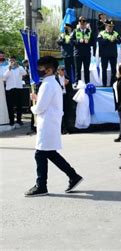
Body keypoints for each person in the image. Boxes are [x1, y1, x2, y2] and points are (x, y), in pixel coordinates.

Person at [25, 56, 83, 197]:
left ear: (49, 69)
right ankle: (73, 176)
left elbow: (41, 108)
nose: (38, 71)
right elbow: (46, 102)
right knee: (49, 153)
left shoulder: (47, 84)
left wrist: (34, 107)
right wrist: (37, 99)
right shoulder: (51, 83)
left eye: (40, 68)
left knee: (41, 154)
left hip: (48, 123)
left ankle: (41, 185)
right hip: (50, 122)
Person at [3, 55, 26, 128]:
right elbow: (4, 77)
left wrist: (18, 66)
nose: (12, 62)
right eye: (10, 60)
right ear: (9, 61)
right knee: (10, 106)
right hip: (9, 89)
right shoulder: (6, 68)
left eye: (13, 60)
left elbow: (24, 73)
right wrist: (9, 69)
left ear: (15, 60)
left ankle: (19, 120)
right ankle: (11, 120)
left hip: (18, 88)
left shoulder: (20, 67)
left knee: (19, 105)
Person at [72, 16, 95, 85]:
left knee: (86, 70)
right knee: (77, 70)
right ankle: (77, 83)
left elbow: (93, 42)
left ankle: (87, 83)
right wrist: (78, 41)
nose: (82, 24)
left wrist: (89, 42)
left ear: (86, 23)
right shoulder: (75, 31)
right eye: (80, 22)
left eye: (83, 22)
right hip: (78, 54)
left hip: (86, 54)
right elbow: (71, 41)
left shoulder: (89, 32)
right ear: (79, 23)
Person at [97, 20, 121, 87]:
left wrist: (115, 39)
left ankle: (112, 84)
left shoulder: (115, 33)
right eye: (109, 26)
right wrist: (108, 39)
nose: (111, 28)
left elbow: (119, 41)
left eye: (112, 26)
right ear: (106, 26)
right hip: (104, 54)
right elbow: (100, 41)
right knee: (104, 69)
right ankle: (104, 84)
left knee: (114, 70)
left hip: (113, 54)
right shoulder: (101, 33)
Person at [57, 66, 73, 134]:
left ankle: (66, 128)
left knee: (66, 113)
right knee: (60, 113)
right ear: (58, 71)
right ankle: (61, 129)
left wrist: (68, 84)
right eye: (62, 70)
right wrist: (64, 85)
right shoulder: (55, 79)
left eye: (64, 70)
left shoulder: (67, 78)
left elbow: (70, 89)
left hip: (65, 97)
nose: (63, 71)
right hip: (58, 97)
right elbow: (56, 88)